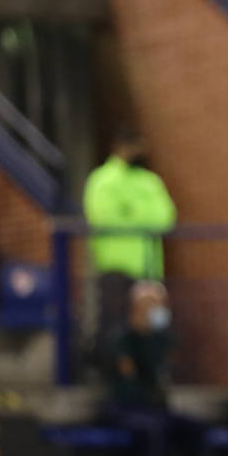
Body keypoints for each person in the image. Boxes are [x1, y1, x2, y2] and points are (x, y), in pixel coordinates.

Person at [82, 131, 177, 368]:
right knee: (114, 322)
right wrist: (143, 218)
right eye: (133, 147)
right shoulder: (103, 179)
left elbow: (165, 217)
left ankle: (151, 373)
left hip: (148, 266)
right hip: (115, 265)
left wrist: (129, 212)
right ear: (119, 146)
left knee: (153, 324)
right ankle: (110, 373)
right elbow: (104, 218)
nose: (138, 153)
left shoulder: (149, 180)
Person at [104, 281, 201, 456]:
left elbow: (165, 368)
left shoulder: (163, 338)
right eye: (154, 305)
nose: (160, 310)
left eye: (162, 304)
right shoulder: (121, 338)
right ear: (137, 308)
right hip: (126, 408)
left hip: (156, 408)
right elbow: (129, 372)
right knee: (154, 430)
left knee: (195, 428)